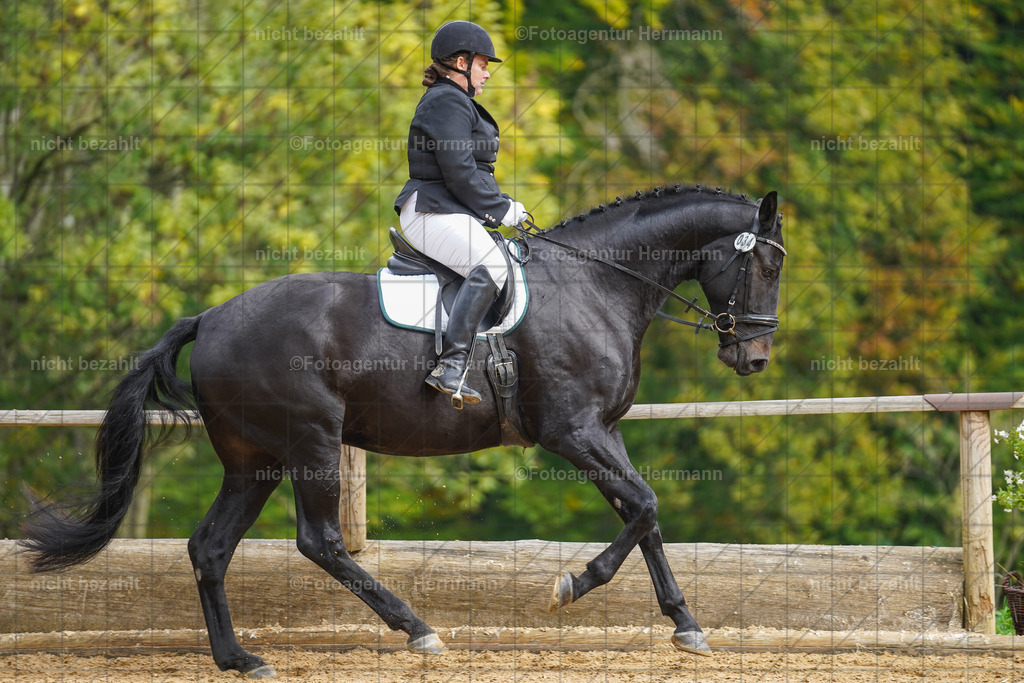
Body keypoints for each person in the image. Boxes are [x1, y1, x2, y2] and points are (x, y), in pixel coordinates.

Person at [395, 20, 529, 407]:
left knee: (507, 263)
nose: (487, 73)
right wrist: (500, 207)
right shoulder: (445, 100)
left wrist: (501, 203)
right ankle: (451, 366)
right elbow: (458, 169)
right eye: (483, 64)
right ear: (459, 61)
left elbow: (472, 171)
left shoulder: (456, 101)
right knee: (491, 267)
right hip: (431, 211)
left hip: (450, 211)